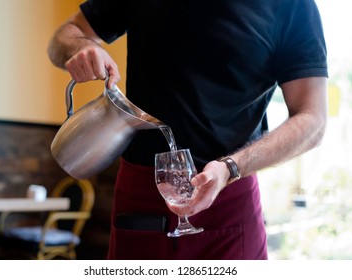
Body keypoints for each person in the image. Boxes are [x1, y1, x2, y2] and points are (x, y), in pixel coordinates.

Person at [48, 0, 328, 260]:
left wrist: (230, 167)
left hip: (229, 198)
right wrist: (81, 49)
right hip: (141, 196)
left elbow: (312, 120)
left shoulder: (292, 5)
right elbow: (63, 36)